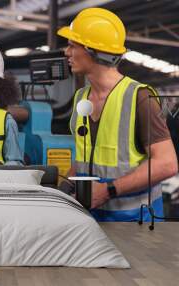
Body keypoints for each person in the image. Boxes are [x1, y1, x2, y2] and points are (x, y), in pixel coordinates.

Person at [57, 8, 178, 221]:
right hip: (91, 223)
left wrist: (107, 191)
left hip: (135, 227)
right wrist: (63, 186)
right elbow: (87, 157)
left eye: (72, 46)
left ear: (92, 50)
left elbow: (166, 163)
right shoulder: (80, 98)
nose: (66, 52)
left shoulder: (139, 97)